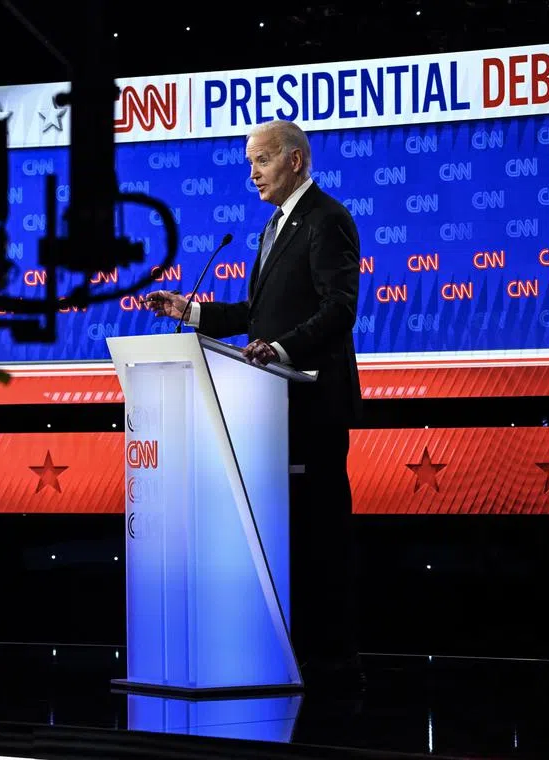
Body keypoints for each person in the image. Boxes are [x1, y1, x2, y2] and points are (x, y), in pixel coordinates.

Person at [145, 120, 363, 689]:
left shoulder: (327, 219)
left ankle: (334, 660)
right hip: (272, 412)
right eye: (249, 163)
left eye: (261, 161)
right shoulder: (272, 228)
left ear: (294, 160)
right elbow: (257, 316)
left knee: (321, 533)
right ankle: (292, 655)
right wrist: (187, 313)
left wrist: (282, 349)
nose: (252, 174)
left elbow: (339, 309)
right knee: (287, 537)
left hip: (312, 403)